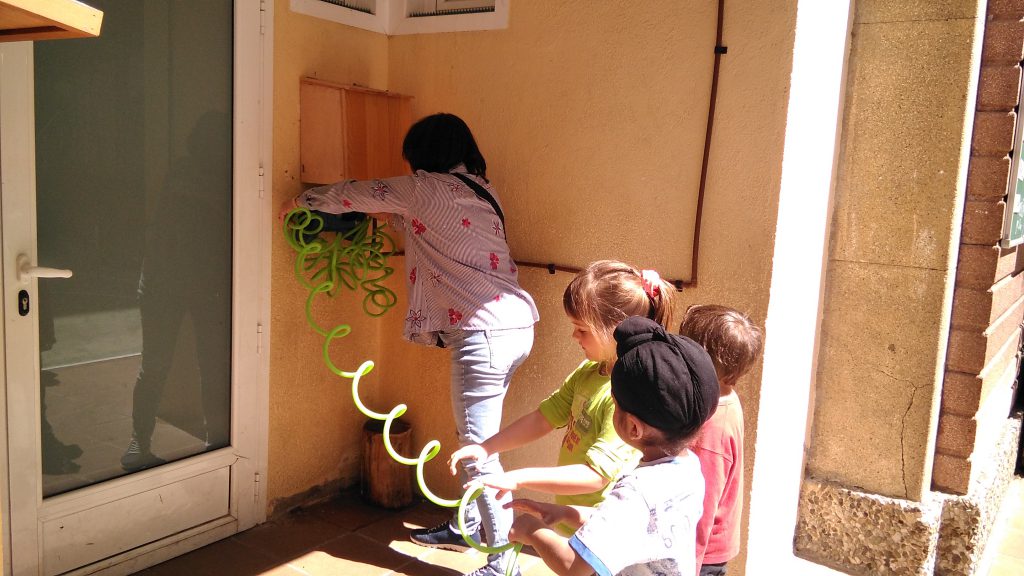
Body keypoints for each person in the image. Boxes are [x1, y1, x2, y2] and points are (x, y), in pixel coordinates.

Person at [280, 113, 539, 576]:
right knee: (483, 441)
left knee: (478, 452)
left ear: (424, 155)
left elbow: (357, 191)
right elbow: (440, 233)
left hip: (482, 333)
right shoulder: (480, 189)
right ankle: (471, 525)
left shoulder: (426, 188)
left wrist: (301, 201)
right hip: (517, 326)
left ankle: (503, 563)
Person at [447, 260, 675, 537]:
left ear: (617, 331)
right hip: (572, 521)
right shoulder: (589, 372)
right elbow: (543, 419)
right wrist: (486, 448)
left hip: (603, 531)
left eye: (582, 329)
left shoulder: (625, 397)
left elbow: (595, 475)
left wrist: (517, 478)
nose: (574, 335)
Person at [506, 316, 720, 576]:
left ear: (633, 428)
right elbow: (639, 523)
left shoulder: (637, 491)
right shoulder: (688, 467)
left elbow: (574, 567)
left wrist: (531, 530)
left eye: (615, 405)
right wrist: (569, 513)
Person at [678, 305, 764, 576]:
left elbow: (703, 506)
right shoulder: (722, 398)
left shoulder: (713, 426)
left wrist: (688, 566)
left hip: (701, 555)